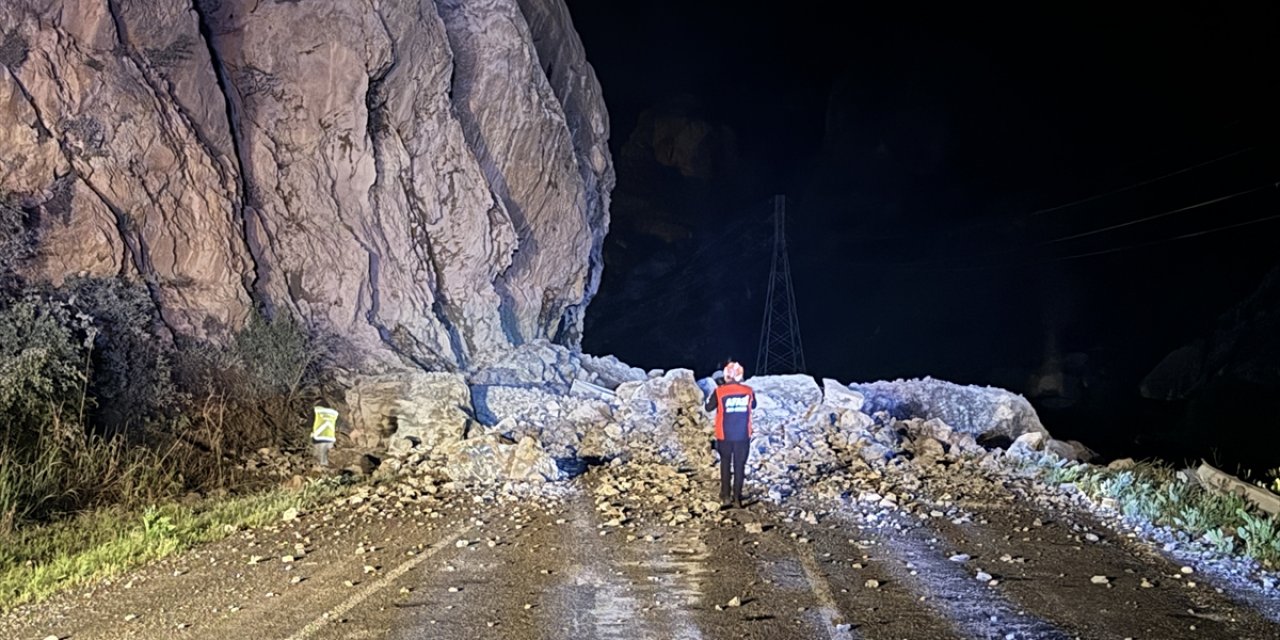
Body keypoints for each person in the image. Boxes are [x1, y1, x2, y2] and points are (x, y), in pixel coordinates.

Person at [704, 361, 756, 508]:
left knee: (725, 465)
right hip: (743, 435)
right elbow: (754, 405)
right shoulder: (748, 391)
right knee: (740, 466)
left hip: (724, 435)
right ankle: (737, 498)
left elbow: (708, 407)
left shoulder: (719, 391)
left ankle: (725, 496)